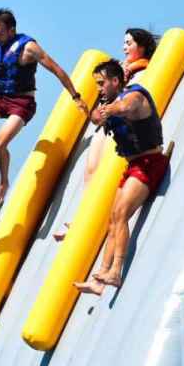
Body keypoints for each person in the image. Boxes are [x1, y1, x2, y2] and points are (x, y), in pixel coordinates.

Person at [0, 8, 89, 205]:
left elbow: (56, 69)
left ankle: (3, 183)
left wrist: (76, 96)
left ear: (11, 30)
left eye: (0, 33)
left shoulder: (29, 47)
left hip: (22, 104)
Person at [54, 28, 159, 241]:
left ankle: (88, 219)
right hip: (107, 121)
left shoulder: (143, 70)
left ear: (142, 47)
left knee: (99, 171)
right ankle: (83, 215)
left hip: (123, 125)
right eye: (124, 43)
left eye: (129, 43)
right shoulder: (119, 69)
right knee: (90, 170)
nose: (124, 47)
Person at [74, 60, 169, 295]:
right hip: (133, 165)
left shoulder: (135, 96)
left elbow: (126, 107)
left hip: (150, 163)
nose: (99, 88)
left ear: (115, 81)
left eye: (101, 83)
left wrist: (110, 109)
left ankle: (115, 272)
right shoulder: (109, 104)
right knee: (112, 220)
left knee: (122, 214)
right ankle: (99, 278)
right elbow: (97, 119)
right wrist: (87, 108)